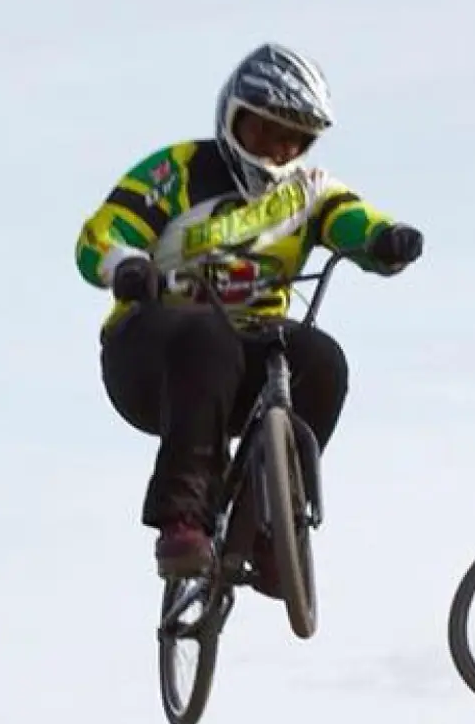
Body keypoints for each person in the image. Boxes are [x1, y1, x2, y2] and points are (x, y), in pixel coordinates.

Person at [75, 42, 425, 582]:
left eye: (294, 139)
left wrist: (386, 239)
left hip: (250, 350)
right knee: (207, 337)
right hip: (150, 356)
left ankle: (271, 530)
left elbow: (353, 219)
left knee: (322, 360)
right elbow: (100, 236)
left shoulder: (308, 191)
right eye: (265, 132)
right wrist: (125, 265)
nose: (278, 150)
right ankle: (182, 520)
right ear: (233, 117)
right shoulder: (177, 171)